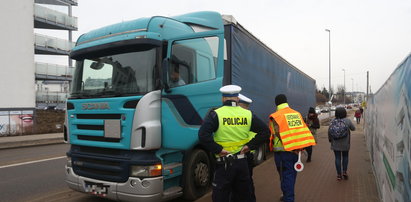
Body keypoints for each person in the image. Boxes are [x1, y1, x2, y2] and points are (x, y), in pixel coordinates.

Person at [198, 85, 270, 202]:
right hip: (242, 163)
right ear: (237, 99)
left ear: (223, 99)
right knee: (244, 196)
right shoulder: (248, 114)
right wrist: (249, 146)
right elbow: (265, 131)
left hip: (224, 164)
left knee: (221, 197)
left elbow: (203, 135)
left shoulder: (216, 114)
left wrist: (218, 149)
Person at [269, 94, 316, 202]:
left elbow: (277, 133)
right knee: (291, 174)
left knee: (285, 175)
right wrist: (299, 147)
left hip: (282, 152)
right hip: (295, 152)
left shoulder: (276, 116)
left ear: (276, 103)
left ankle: (288, 198)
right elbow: (301, 131)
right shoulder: (296, 114)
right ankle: (286, 195)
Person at [234, 93, 257, 202]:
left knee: (243, 184)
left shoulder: (243, 116)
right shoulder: (250, 115)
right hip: (249, 154)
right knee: (248, 182)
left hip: (243, 154)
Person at [328, 107, 355, 181]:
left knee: (337, 158)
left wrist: (330, 140)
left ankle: (339, 175)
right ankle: (344, 172)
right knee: (345, 157)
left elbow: (329, 131)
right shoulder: (347, 121)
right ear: (345, 113)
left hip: (335, 143)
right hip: (345, 143)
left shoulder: (332, 121)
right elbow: (353, 128)